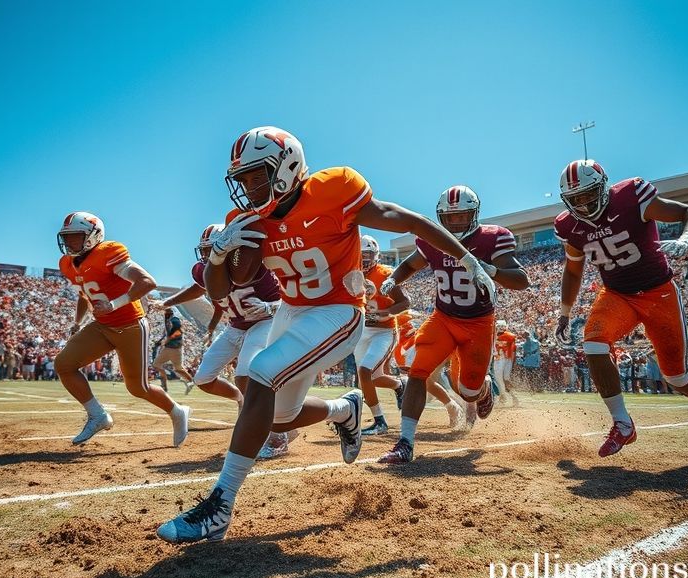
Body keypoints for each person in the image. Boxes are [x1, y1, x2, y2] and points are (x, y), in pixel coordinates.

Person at [157, 126, 486, 543]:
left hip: (338, 311)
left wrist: (466, 257)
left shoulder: (334, 190)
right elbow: (222, 291)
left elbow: (406, 219)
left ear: (287, 166)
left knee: (259, 372)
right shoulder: (247, 220)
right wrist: (218, 257)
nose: (248, 187)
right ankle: (343, 411)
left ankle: (221, 503)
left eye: (256, 175)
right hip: (293, 311)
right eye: (242, 179)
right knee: (277, 416)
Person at [554, 159, 688, 457]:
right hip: (618, 294)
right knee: (592, 342)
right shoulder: (569, 225)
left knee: (677, 377)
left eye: (588, 194)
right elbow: (573, 269)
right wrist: (565, 312)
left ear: (603, 186)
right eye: (575, 199)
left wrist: (687, 237)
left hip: (658, 292)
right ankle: (622, 424)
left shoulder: (631, 196)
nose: (583, 202)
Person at [377, 185, 530, 464]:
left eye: (462, 216)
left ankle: (481, 389)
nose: (456, 222)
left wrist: (489, 269)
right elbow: (410, 266)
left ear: (474, 215)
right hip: (443, 317)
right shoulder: (433, 240)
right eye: (450, 218)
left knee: (467, 389)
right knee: (418, 371)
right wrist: (393, 279)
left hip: (479, 322)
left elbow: (521, 279)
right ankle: (405, 442)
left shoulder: (492, 239)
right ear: (441, 218)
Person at [154, 225, 294, 459]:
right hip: (236, 327)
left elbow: (290, 300)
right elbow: (197, 289)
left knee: (246, 376)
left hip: (263, 322)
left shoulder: (257, 269)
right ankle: (242, 400)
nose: (209, 257)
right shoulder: (204, 271)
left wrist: (270, 306)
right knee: (203, 378)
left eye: (214, 250)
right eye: (206, 251)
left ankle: (278, 434)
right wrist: (168, 302)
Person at [55, 212, 191, 447]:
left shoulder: (108, 253)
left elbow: (147, 282)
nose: (69, 243)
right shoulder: (67, 264)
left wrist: (114, 304)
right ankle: (98, 415)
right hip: (103, 325)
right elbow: (83, 293)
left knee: (138, 388)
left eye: (75, 237)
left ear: (92, 236)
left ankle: (177, 411)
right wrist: (77, 322)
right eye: (67, 237)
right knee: (64, 365)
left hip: (130, 324)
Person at [356, 235, 409, 435]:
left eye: (367, 254)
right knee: (372, 379)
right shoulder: (350, 274)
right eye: (360, 255)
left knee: (364, 371)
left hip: (384, 331)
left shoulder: (386, 274)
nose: (364, 259)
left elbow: (405, 303)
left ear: (376, 255)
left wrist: (385, 313)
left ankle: (380, 422)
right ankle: (398, 384)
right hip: (363, 331)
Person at [151, 308, 196, 394]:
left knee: (177, 369)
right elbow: (168, 333)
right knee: (157, 365)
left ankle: (190, 381)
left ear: (169, 312)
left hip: (174, 348)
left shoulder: (174, 319)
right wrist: (161, 341)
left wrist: (167, 340)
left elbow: (179, 331)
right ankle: (164, 386)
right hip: (169, 348)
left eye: (166, 312)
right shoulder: (168, 320)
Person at [493, 319, 519, 406]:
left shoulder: (509, 336)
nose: (500, 328)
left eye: (501, 327)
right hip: (497, 360)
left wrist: (513, 361)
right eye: (498, 327)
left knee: (505, 378)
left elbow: (513, 350)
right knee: (498, 379)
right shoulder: (493, 336)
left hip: (506, 360)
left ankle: (512, 396)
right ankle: (502, 396)